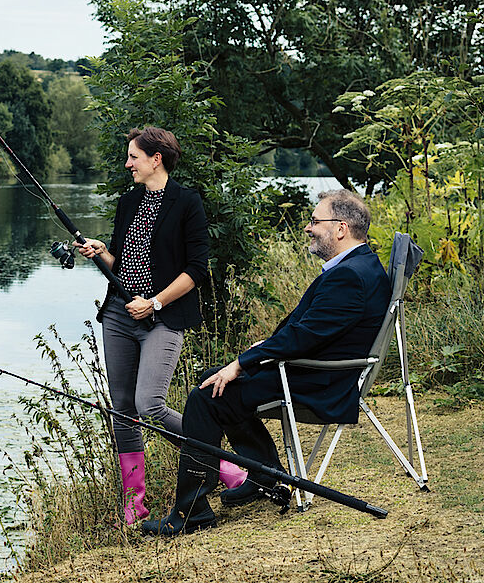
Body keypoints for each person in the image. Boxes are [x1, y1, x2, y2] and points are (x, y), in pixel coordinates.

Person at [141, 189, 391, 537]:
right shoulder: (361, 264)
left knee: (206, 394)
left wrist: (244, 362)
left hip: (320, 381)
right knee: (211, 377)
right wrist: (267, 348)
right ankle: (264, 476)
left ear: (341, 228)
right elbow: (314, 329)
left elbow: (304, 337)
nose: (308, 227)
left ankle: (192, 510)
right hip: (315, 367)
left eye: (315, 221)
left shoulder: (349, 275)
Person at [75, 126, 236, 526]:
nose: (128, 163)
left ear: (156, 158)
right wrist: (102, 253)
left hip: (163, 317)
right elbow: (123, 264)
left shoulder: (187, 203)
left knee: (150, 404)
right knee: (124, 411)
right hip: (118, 315)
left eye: (133, 156)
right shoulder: (129, 202)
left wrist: (156, 302)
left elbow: (197, 269)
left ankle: (227, 467)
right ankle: (134, 503)